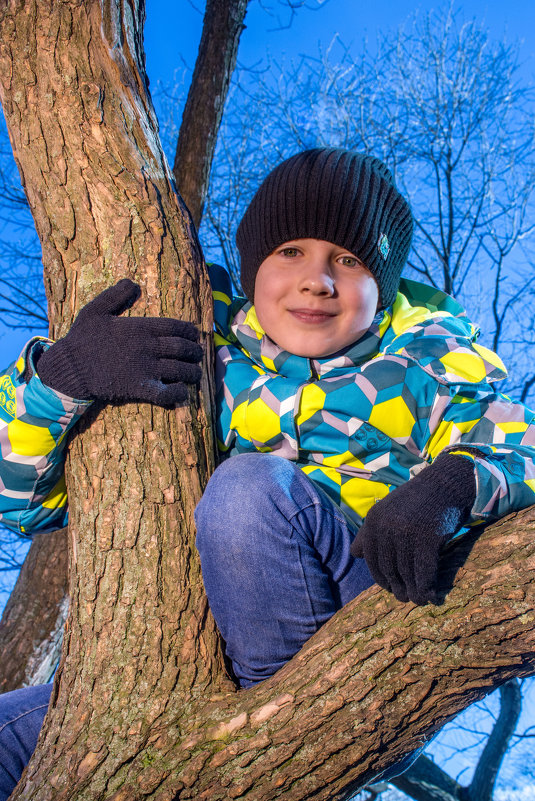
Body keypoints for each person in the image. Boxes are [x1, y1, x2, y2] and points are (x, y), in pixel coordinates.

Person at [0, 148, 534, 795]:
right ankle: (233, 737)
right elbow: (19, 503)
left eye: (349, 259)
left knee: (248, 488)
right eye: (290, 252)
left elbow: (519, 443)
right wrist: (60, 381)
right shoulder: (210, 347)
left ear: (383, 284)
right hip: (199, 654)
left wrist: (450, 485)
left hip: (359, 604)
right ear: (253, 266)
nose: (318, 279)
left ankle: (281, 719)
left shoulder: (431, 359)